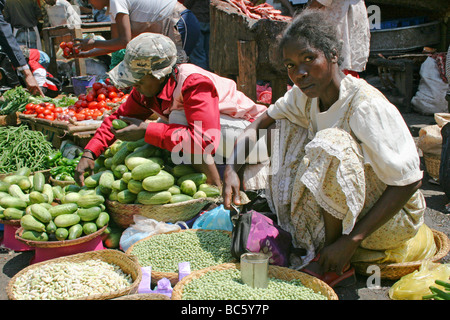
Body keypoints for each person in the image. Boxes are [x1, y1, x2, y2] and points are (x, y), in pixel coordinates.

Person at [222, 9, 433, 288]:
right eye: (290, 65)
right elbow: (260, 121)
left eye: (309, 59)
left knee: (329, 143)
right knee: (285, 125)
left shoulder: (365, 105)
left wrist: (351, 240)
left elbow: (409, 182)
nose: (300, 73)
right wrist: (231, 170)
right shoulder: (305, 96)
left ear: (333, 54)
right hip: (351, 210)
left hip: (392, 220)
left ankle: (335, 261)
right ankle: (315, 235)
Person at [75, 33, 267, 188]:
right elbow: (120, 117)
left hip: (257, 139)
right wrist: (89, 153)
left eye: (140, 80)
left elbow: (204, 140)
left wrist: (146, 130)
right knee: (169, 123)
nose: (136, 86)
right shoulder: (146, 91)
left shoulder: (193, 83)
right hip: (225, 138)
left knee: (176, 119)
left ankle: (216, 187)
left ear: (160, 75)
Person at [73, 0, 207, 69]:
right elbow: (117, 44)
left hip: (181, 23)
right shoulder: (113, 8)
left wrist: (93, 43)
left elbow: (124, 41)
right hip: (176, 26)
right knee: (170, 71)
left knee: (177, 70)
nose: (89, 3)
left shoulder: (116, 1)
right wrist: (85, 53)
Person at [307, 0, 370, 77]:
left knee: (339, 64)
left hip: (342, 15)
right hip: (351, 11)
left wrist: (303, 15)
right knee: (347, 63)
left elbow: (321, 2)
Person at [0, 0, 43, 96]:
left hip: (16, 31)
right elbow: (39, 14)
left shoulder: (9, 3)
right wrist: (27, 73)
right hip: (31, 31)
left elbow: (6, 18)